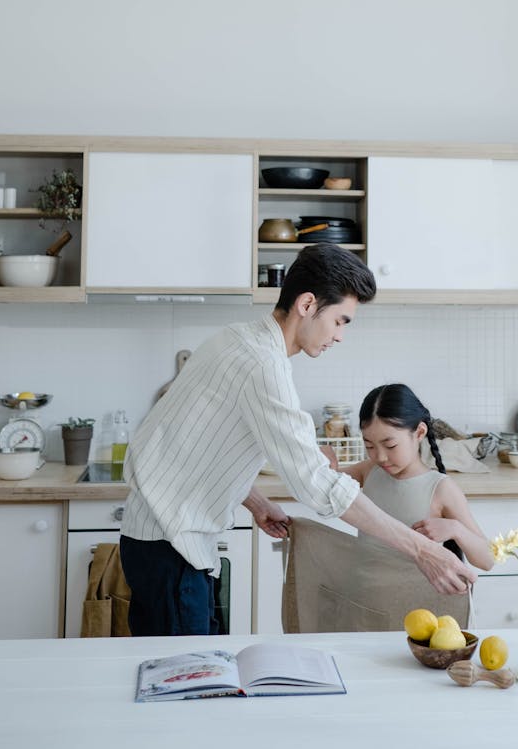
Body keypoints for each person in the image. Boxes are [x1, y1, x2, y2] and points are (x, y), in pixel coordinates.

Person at [120, 244, 473, 636]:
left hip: (161, 544)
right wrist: (424, 551)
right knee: (185, 684)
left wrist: (254, 501)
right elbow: (319, 486)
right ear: (307, 304)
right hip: (172, 550)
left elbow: (193, 448)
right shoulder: (264, 367)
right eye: (339, 321)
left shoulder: (236, 339)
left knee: (196, 676)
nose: (339, 336)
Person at [338, 383, 495, 588]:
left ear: (419, 432)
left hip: (416, 608)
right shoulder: (369, 470)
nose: (380, 456)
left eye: (390, 445)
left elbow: (487, 560)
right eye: (369, 446)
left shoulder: (440, 489)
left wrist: (456, 529)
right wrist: (326, 462)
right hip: (365, 599)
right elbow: (325, 485)